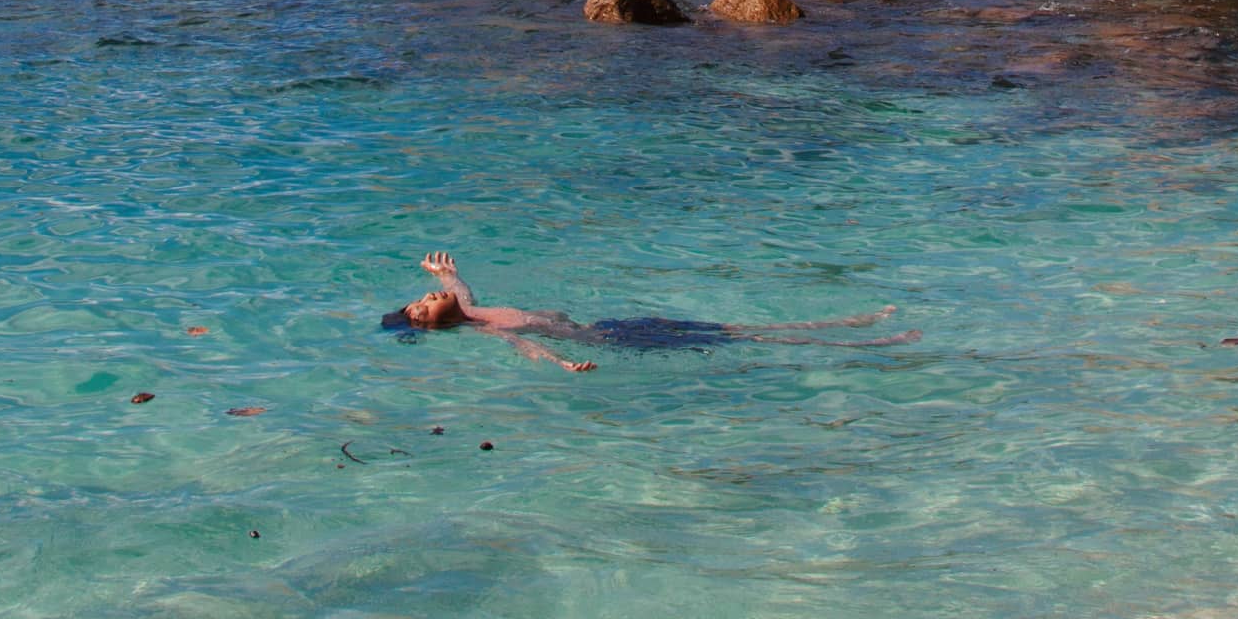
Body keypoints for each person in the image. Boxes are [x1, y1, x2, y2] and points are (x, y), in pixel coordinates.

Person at [382, 250, 913, 372]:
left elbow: (461, 285)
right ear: (436, 326)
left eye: (424, 296)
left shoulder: (471, 308)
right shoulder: (481, 330)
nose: (427, 298)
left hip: (613, 327)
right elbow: (530, 346)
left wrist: (444, 275)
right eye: (425, 308)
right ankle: (857, 342)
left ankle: (848, 324)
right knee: (743, 339)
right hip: (612, 342)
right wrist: (564, 365)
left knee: (730, 327)